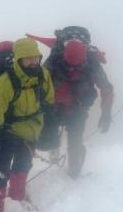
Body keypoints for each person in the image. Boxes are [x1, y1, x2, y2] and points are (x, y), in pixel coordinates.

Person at [0, 37, 54, 212]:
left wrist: (48, 123)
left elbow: (49, 99)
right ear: (19, 59)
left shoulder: (43, 74)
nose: (33, 62)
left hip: (32, 129)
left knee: (23, 164)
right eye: (28, 58)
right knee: (1, 168)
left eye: (36, 58)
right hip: (8, 131)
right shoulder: (5, 82)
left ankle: (18, 195)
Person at [37, 26, 114, 178]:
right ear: (63, 54)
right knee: (50, 137)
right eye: (69, 64)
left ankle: (74, 172)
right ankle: (55, 149)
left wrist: (106, 113)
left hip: (77, 109)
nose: (72, 68)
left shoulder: (92, 63)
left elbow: (106, 89)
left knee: (75, 142)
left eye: (76, 65)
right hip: (56, 107)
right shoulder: (54, 61)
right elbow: (39, 84)